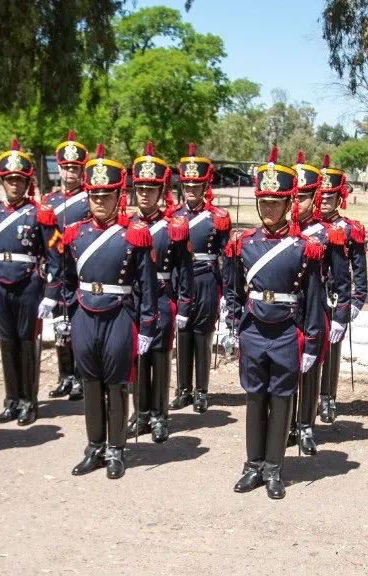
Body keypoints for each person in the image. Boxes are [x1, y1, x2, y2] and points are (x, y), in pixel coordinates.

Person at [222, 146, 328, 499]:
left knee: (282, 399)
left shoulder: (305, 247)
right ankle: (252, 464)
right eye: (263, 202)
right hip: (254, 330)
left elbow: (313, 300)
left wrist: (312, 343)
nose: (268, 209)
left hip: (286, 332)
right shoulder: (244, 244)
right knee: (255, 398)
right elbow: (234, 291)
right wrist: (234, 326)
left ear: (288, 204)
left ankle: (273, 468)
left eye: (275, 203)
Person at [47, 145, 157, 479]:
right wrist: (63, 315)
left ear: (117, 196)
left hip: (119, 315)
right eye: (94, 194)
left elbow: (147, 285)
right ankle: (94, 445)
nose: (99, 201)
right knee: (90, 382)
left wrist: (148, 327)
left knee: (116, 383)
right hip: (84, 314)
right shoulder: (75, 234)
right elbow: (66, 278)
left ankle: (116, 449)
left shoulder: (134, 235)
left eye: (106, 195)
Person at [0, 139, 53, 427]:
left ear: (27, 182)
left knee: (26, 342)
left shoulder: (39, 213)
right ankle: (11, 400)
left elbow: (54, 254)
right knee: (7, 343)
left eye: (20, 180)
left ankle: (29, 400)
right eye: (10, 180)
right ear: (2, 182)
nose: (15, 185)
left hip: (28, 283)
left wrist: (50, 292)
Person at [128, 141, 191, 443]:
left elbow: (183, 269)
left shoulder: (173, 227)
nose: (145, 194)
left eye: (150, 189)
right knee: (135, 359)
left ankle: (158, 416)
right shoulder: (124, 225)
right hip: (133, 299)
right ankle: (139, 413)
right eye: (140, 188)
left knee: (159, 358)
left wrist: (185, 305)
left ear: (161, 191)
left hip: (163, 298)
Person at [287, 151, 348, 455]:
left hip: (315, 307)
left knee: (310, 367)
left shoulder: (329, 234)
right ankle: (286, 423)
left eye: (304, 197)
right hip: (284, 309)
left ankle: (306, 425)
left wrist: (340, 315)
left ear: (315, 198)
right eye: (294, 197)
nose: (297, 204)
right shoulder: (281, 233)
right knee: (286, 368)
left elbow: (341, 278)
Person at [170, 142, 231, 415]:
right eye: (187, 186)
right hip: (179, 280)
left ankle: (202, 391)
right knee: (182, 335)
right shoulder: (173, 217)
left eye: (196, 186)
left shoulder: (216, 218)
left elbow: (226, 254)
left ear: (205, 187)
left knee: (202, 335)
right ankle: (183, 389)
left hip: (206, 279)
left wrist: (227, 288)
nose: (191, 191)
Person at [316, 154, 368, 426]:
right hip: (311, 296)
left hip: (337, 296)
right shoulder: (304, 226)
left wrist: (357, 300)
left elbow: (359, 268)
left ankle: (328, 398)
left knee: (333, 348)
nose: (324, 201)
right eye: (320, 196)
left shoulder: (349, 229)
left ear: (339, 198)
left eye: (329, 197)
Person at [41, 131, 91, 402]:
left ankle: (81, 376)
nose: (70, 172)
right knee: (58, 322)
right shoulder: (49, 201)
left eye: (75, 167)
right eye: (67, 167)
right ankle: (65, 375)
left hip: (77, 270)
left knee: (77, 323)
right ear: (59, 167)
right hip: (54, 271)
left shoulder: (88, 200)